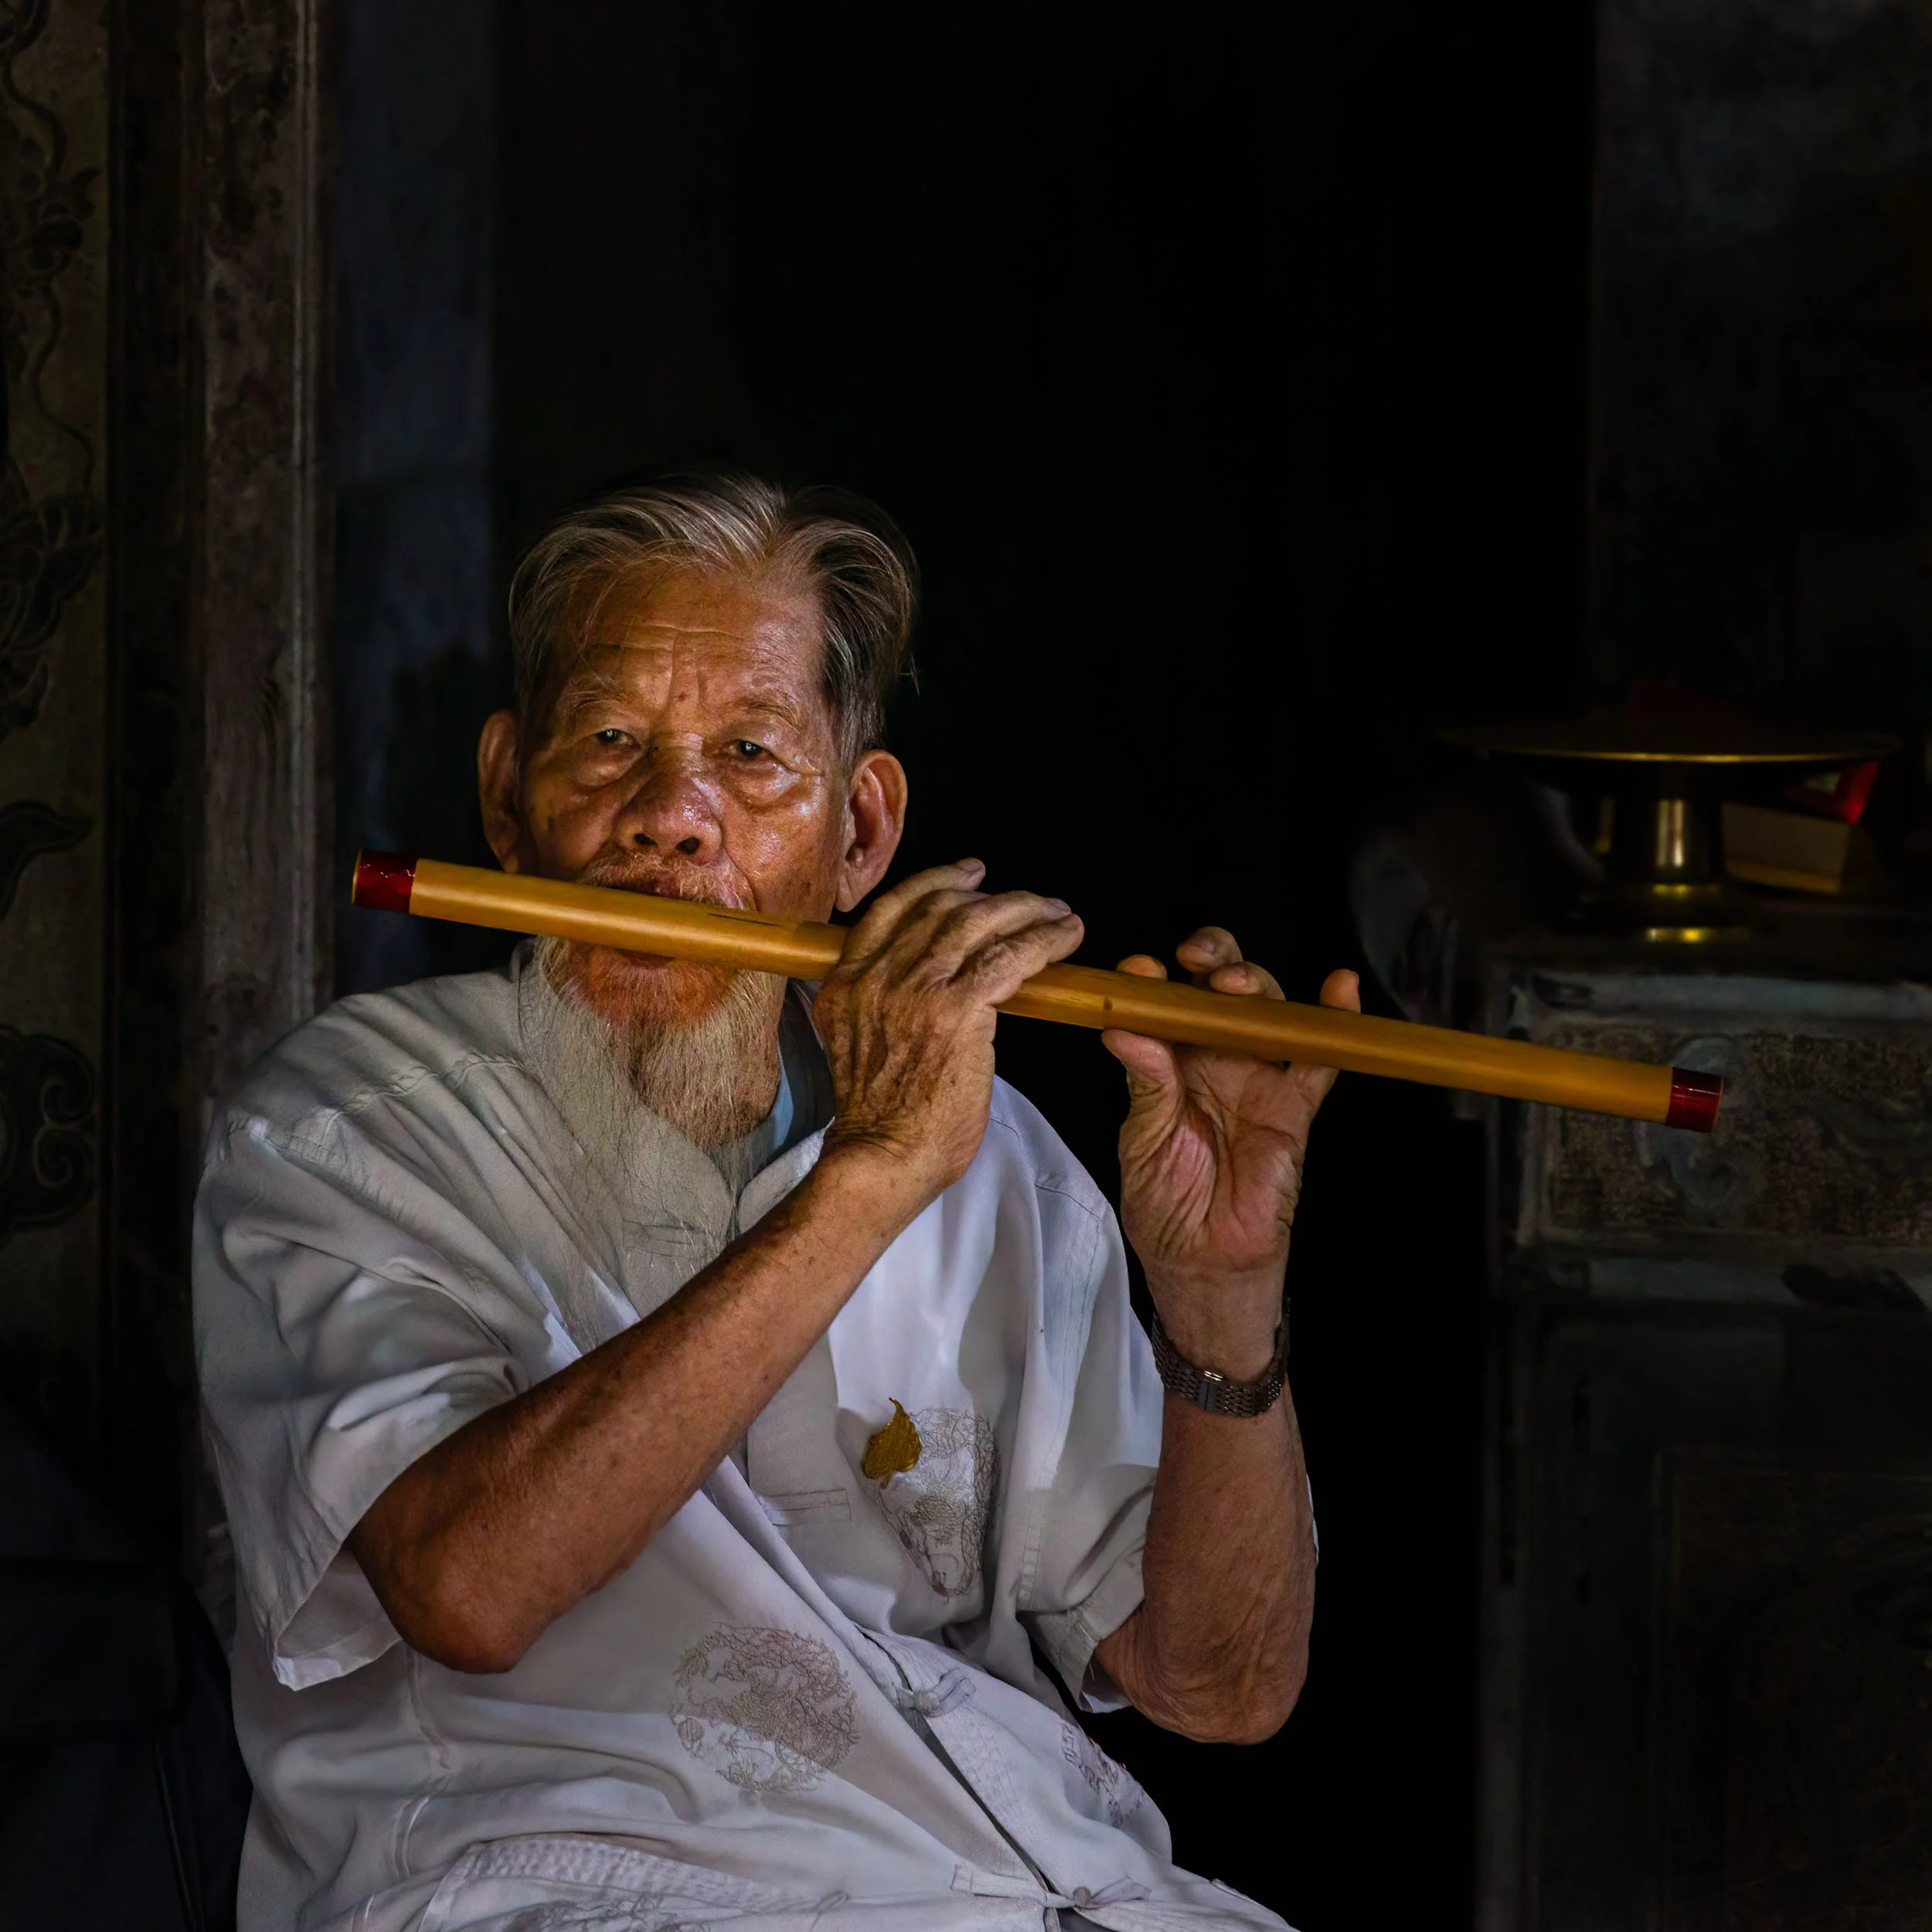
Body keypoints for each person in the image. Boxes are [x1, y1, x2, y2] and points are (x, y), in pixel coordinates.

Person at [194, 473, 1359, 1931]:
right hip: (554, 1892)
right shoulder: (348, 1128)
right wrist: (870, 1180)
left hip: (1020, 1890)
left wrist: (1223, 1299)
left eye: (750, 757)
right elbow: (465, 1591)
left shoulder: (988, 1154)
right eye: (609, 744)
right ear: (507, 795)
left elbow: (1220, 1687)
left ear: (861, 836)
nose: (672, 821)